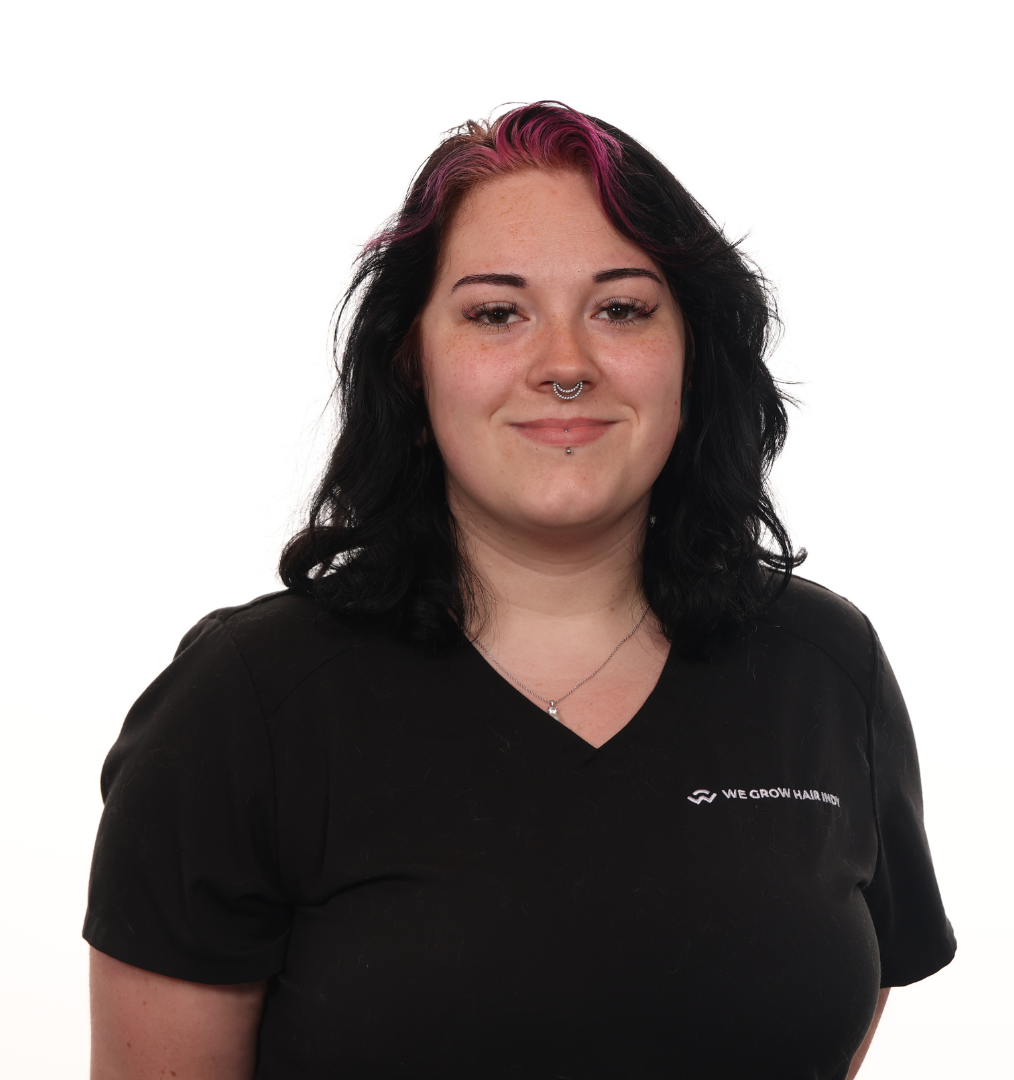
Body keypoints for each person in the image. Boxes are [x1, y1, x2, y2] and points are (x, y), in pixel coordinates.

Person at [85, 102, 955, 1080]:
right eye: (497, 314)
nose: (565, 366)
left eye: (621, 309)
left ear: (692, 358)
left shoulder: (825, 668)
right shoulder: (247, 704)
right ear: (412, 363)